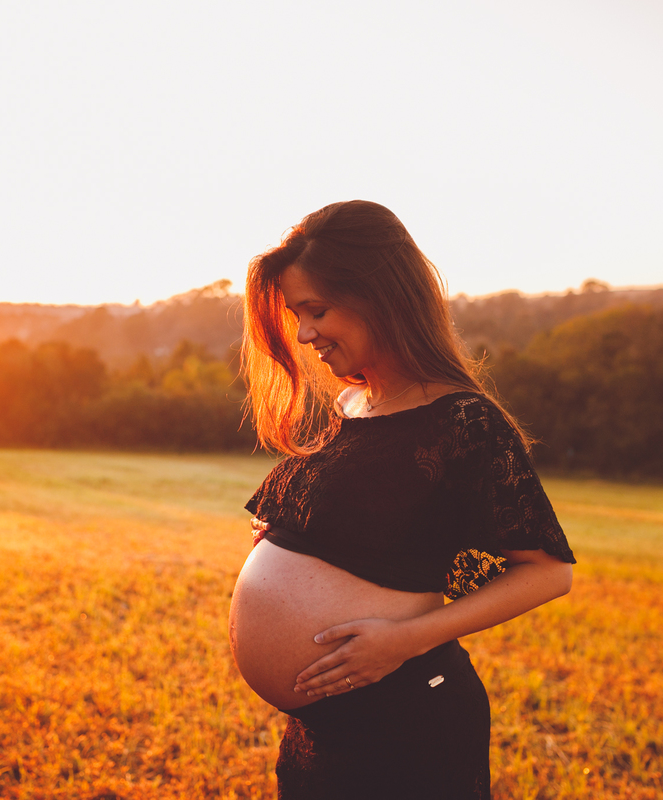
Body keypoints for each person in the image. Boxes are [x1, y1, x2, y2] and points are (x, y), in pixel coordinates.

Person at [228, 200, 576, 799]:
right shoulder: (351, 407)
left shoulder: (464, 420)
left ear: (378, 296)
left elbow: (548, 574)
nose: (304, 333)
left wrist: (405, 640)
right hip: (322, 730)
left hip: (408, 724)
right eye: (296, 314)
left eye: (316, 311)